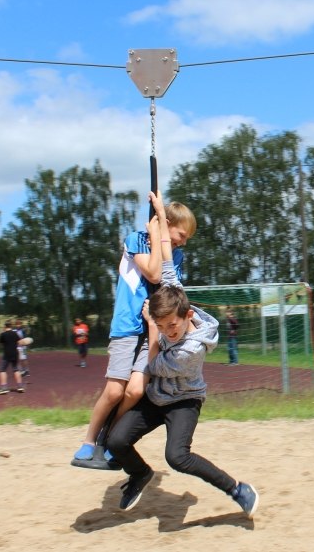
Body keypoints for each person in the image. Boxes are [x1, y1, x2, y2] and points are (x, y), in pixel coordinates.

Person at [106, 224, 259, 516]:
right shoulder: (174, 298)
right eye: (162, 326)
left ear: (188, 315)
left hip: (184, 400)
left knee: (176, 456)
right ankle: (139, 474)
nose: (168, 331)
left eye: (172, 326)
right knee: (116, 440)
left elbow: (153, 366)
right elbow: (165, 265)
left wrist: (153, 328)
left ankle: (237, 489)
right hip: (156, 396)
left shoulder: (193, 348)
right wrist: (160, 216)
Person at [72, 191, 197, 463]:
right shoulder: (135, 240)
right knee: (115, 390)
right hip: (128, 325)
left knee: (136, 391)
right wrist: (155, 234)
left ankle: (109, 435)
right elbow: (152, 272)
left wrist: (162, 240)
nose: (183, 243)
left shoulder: (175, 256)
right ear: (167, 224)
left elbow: (167, 280)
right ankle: (89, 438)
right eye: (181, 235)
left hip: (154, 329)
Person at [0, 320, 25, 395]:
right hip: (15, 354)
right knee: (16, 369)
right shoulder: (15, 333)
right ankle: (20, 386)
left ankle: (4, 387)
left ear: (5, 326)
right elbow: (20, 343)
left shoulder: (3, 334)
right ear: (11, 326)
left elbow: (1, 344)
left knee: (2, 370)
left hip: (7, 354)